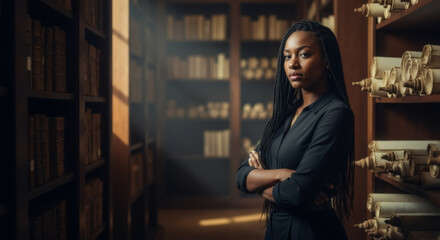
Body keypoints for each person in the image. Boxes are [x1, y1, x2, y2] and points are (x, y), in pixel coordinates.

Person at [236, 20, 354, 240]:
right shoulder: (287, 113)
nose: (293, 64)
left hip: (312, 231)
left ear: (326, 61)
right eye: (287, 56)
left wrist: (259, 186)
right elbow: (242, 174)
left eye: (304, 54)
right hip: (277, 228)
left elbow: (298, 192)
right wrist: (282, 174)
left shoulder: (336, 114)